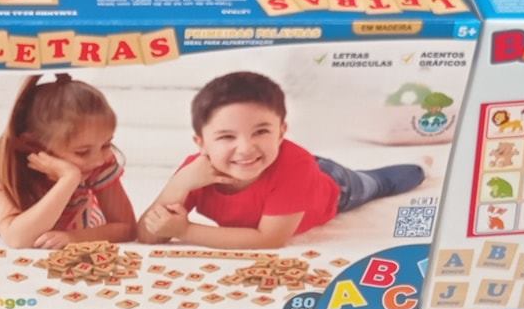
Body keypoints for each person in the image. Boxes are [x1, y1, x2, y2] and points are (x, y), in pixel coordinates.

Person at [137, 71, 424, 249]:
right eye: (226, 136)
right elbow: (148, 236)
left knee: (379, 182)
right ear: (201, 143)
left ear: (281, 131)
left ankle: (422, 164)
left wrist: (186, 231)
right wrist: (180, 183)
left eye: (261, 131)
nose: (245, 148)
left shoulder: (296, 165)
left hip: (334, 185)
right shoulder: (194, 171)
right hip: (285, 167)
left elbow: (268, 239)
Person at [0, 74, 136, 249]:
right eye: (82, 152)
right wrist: (69, 178)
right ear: (33, 146)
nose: (98, 160)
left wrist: (74, 238)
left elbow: (127, 228)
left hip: (84, 230)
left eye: (106, 144)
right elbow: (18, 239)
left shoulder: (100, 162)